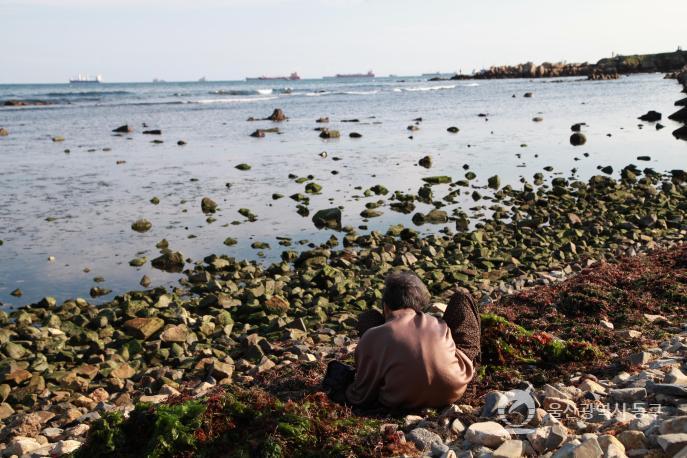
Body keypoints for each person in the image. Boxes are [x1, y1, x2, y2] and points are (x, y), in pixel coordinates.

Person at [341, 271, 480, 409]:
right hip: (454, 390)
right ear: (419, 306)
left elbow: (362, 393)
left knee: (368, 318)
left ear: (386, 306)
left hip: (398, 399)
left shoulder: (372, 336)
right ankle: (471, 378)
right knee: (463, 298)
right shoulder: (437, 323)